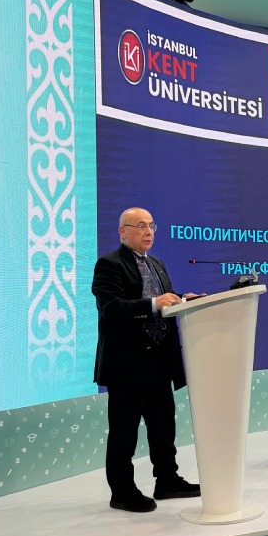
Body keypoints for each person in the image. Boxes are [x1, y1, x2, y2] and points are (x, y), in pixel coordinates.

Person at [92, 207, 203, 512]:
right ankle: (122, 491)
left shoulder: (156, 263)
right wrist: (154, 303)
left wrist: (183, 298)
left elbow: (164, 297)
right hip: (127, 363)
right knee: (124, 431)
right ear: (123, 231)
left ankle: (167, 480)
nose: (148, 231)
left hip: (159, 359)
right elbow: (111, 308)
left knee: (163, 427)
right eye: (140, 225)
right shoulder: (109, 264)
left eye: (152, 225)